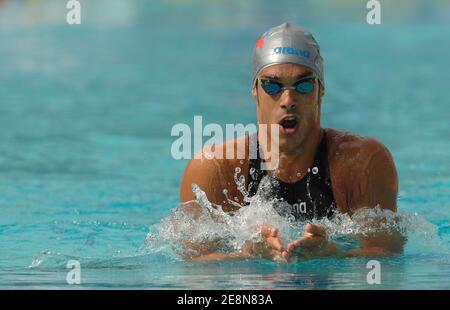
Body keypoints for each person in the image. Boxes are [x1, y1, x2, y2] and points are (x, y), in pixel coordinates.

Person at [179, 22, 403, 263]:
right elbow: (193, 263)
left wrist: (337, 255)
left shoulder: (362, 162)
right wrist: (245, 255)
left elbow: (387, 257)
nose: (288, 100)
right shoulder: (216, 167)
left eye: (304, 85)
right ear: (255, 89)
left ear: (321, 90)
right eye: (272, 86)